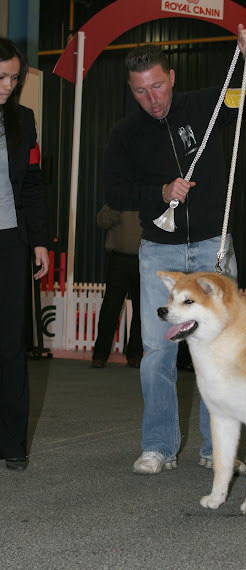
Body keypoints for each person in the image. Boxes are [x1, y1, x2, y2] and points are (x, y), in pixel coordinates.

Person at [102, 25, 246, 474]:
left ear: (172, 76)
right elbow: (115, 192)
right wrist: (159, 192)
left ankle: (216, 449)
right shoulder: (125, 134)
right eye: (141, 91)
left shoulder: (206, 104)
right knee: (157, 351)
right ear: (131, 90)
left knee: (221, 350)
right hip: (158, 254)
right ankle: (158, 446)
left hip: (210, 248)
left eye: (157, 85)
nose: (152, 98)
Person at [0, 37, 49, 470]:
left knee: (12, 346)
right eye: (1, 77)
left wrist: (38, 241)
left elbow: (32, 184)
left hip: (10, 242)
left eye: (14, 78)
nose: (8, 85)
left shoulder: (25, 120)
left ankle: (13, 444)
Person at [92, 204, 143, 369]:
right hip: (118, 259)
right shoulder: (118, 198)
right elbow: (101, 221)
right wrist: (116, 205)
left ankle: (135, 355)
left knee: (141, 310)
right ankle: (100, 355)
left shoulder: (148, 195)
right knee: (110, 308)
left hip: (143, 260)